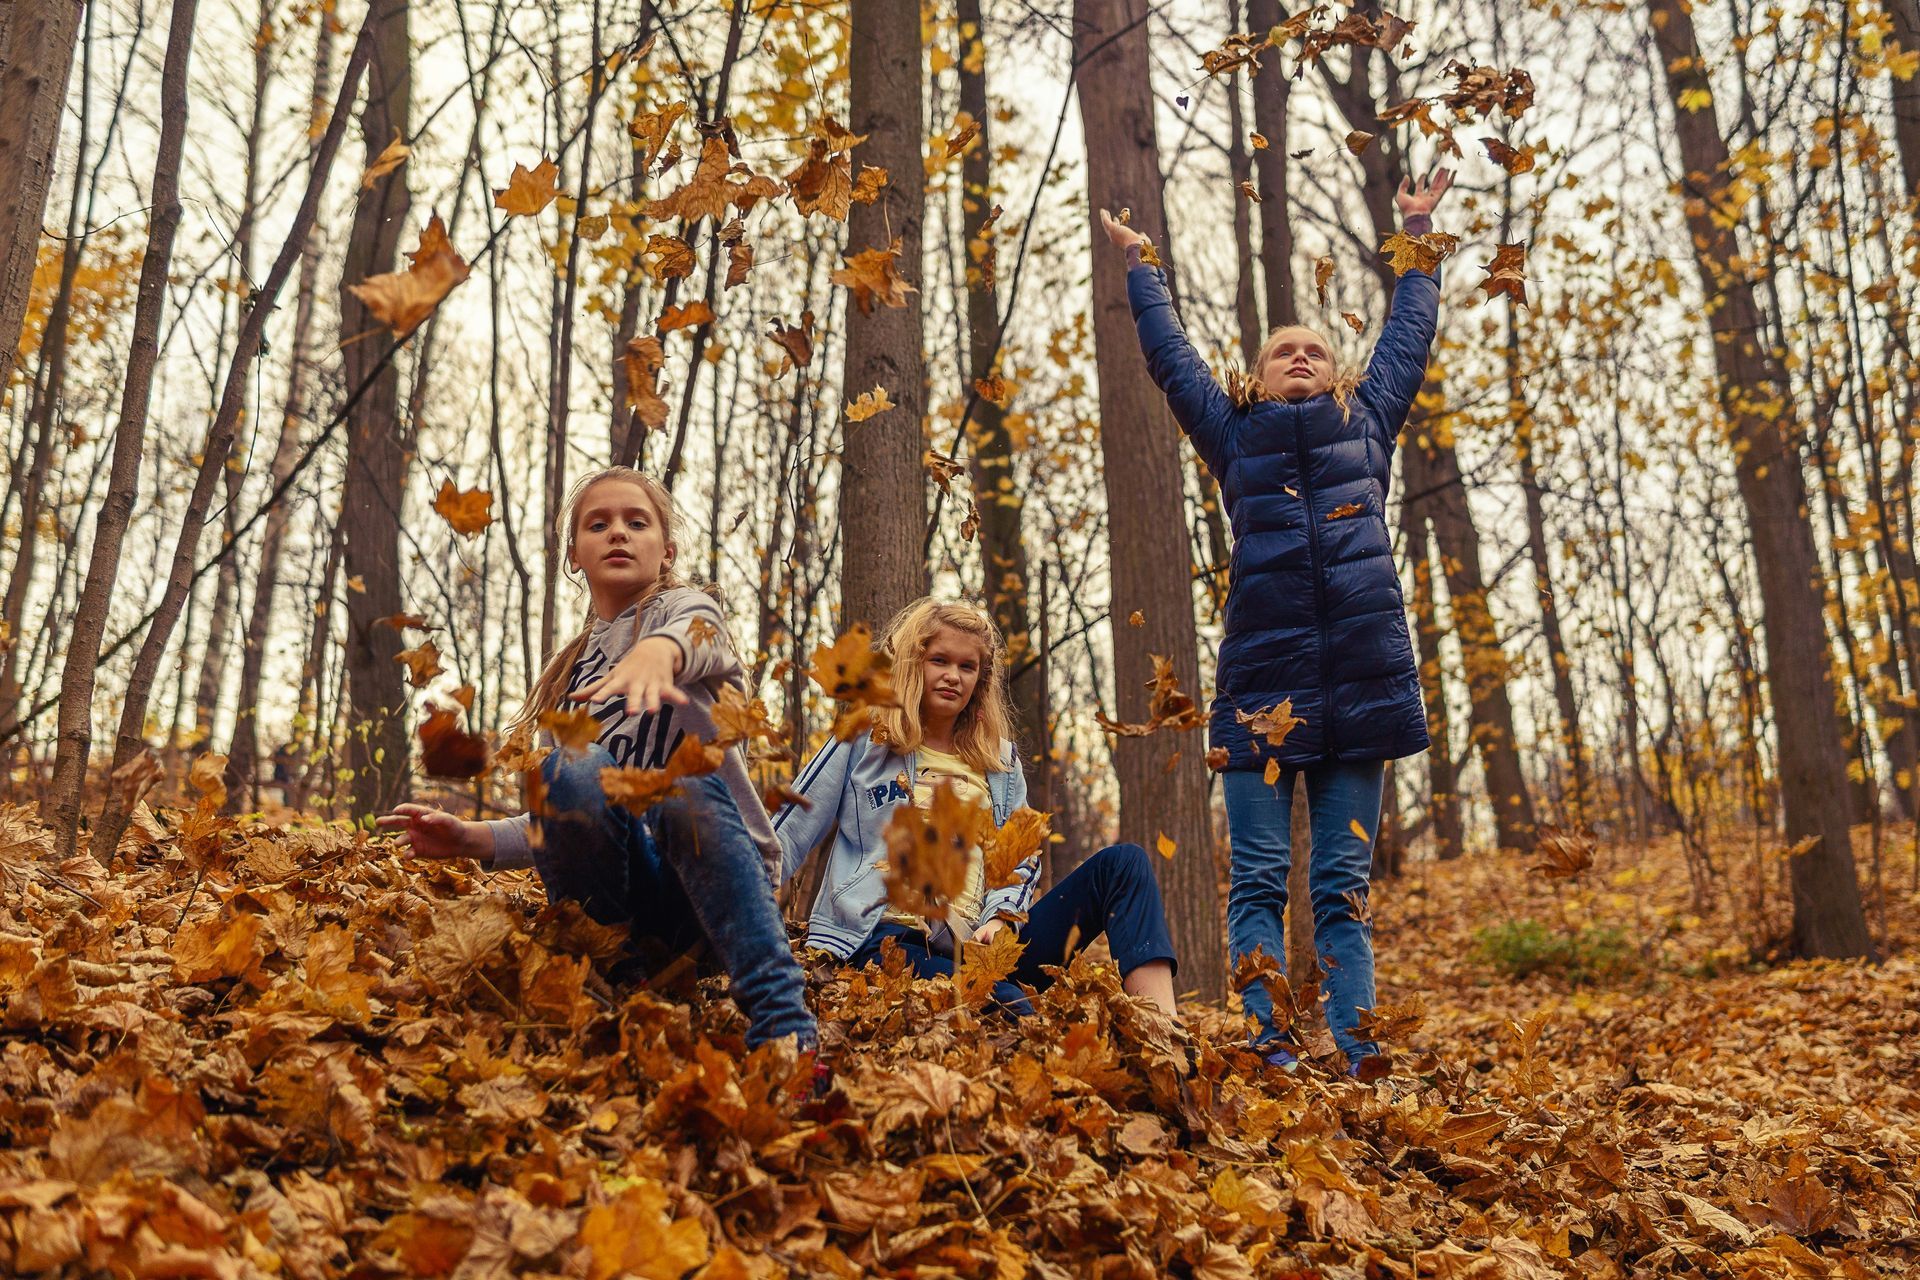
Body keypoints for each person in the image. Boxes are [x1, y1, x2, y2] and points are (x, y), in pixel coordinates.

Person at [1099, 168, 1453, 1074]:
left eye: (1316, 350)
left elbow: (1410, 339)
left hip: (1363, 695)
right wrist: (1144, 270)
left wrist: (1416, 233)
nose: (1301, 356)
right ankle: (1269, 1050)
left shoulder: (1366, 426)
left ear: (1338, 373)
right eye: (1283, 351)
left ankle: (1360, 1054)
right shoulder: (1234, 436)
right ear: (1254, 377)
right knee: (1257, 879)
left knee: (1340, 891)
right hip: (1261, 694)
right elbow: (1170, 361)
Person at [378, 467, 817, 1053]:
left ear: (666, 551)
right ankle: (621, 982)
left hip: (714, 899)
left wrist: (662, 651)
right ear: (574, 556)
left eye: (637, 523)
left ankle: (784, 1024)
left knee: (676, 788)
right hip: (626, 903)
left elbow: (702, 628)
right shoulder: (574, 674)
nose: (618, 533)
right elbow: (570, 810)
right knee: (561, 769)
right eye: (598, 524)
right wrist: (470, 839)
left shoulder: (683, 615)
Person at [774, 597, 1179, 1018]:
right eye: (940, 661)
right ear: (914, 664)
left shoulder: (1000, 763)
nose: (953, 676)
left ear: (980, 680)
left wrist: (1001, 918)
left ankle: (1162, 1032)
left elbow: (1017, 861)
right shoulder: (865, 740)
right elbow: (788, 829)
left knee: (1124, 864)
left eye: (967, 667)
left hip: (982, 947)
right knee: (1016, 1015)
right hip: (888, 942)